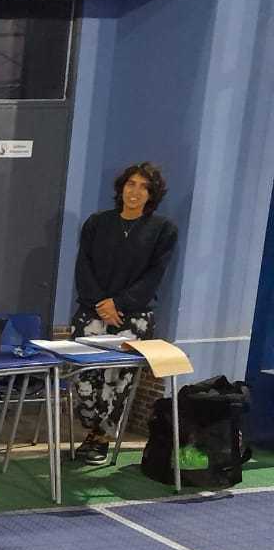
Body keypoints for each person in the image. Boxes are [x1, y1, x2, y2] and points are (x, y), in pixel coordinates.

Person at [71, 162, 177, 464]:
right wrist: (100, 303)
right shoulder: (97, 223)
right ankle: (91, 427)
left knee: (118, 381)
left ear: (152, 194)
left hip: (133, 316)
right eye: (131, 184)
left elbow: (154, 275)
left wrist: (118, 303)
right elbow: (83, 266)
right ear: (122, 187)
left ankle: (101, 438)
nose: (136, 191)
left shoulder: (163, 230)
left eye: (144, 187)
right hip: (91, 311)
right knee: (84, 378)